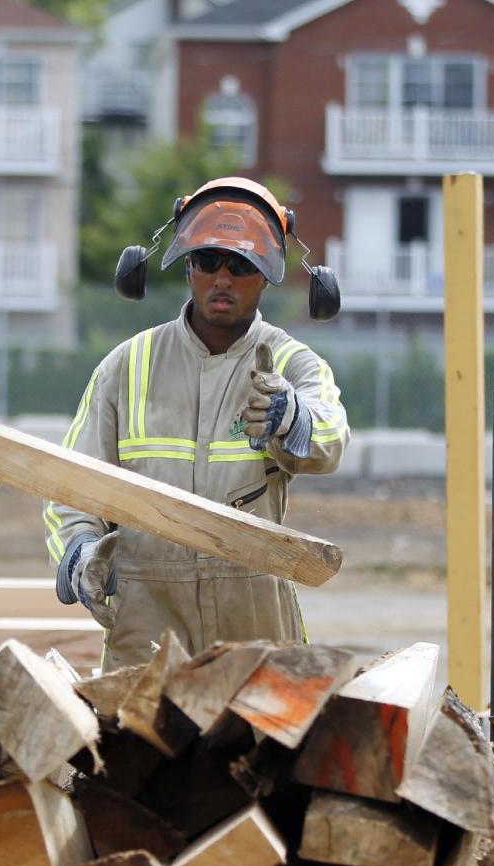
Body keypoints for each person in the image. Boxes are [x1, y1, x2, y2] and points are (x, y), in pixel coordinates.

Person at [44, 176, 349, 669]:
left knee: (267, 744)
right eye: (208, 261)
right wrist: (78, 549)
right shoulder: (126, 365)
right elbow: (70, 485)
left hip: (254, 616)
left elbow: (331, 438)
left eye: (242, 264)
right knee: (136, 744)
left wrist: (294, 418)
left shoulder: (293, 364)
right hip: (145, 618)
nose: (222, 279)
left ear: (266, 275)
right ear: (188, 265)